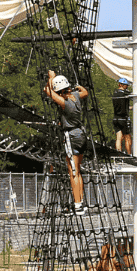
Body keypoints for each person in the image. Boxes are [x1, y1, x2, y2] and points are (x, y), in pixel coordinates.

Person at [43, 70, 89, 213]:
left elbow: (47, 91)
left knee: (73, 172)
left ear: (60, 91)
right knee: (78, 171)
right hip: (81, 134)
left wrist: (51, 78)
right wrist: (78, 87)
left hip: (71, 136)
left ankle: (77, 205)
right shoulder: (76, 96)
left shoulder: (65, 103)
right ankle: (80, 201)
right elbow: (85, 92)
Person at [111, 76, 133, 154]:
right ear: (122, 85)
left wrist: (129, 107)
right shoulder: (125, 94)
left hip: (115, 118)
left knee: (119, 137)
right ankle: (129, 154)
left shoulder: (114, 94)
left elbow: (122, 106)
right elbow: (133, 96)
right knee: (127, 137)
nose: (127, 87)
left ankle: (119, 155)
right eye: (126, 85)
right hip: (123, 119)